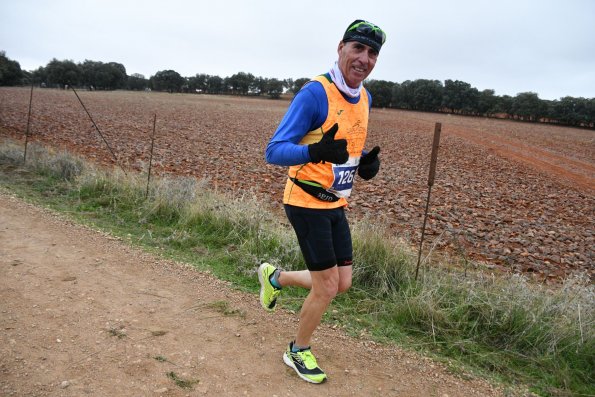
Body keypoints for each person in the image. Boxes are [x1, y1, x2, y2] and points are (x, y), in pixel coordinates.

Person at [259, 19, 386, 384]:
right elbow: (274, 151)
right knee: (328, 285)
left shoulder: (365, 97)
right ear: (341, 48)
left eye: (372, 52)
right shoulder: (316, 93)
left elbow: (345, 148)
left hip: (335, 203)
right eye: (357, 48)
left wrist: (364, 165)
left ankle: (275, 277)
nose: (364, 59)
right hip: (304, 199)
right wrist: (313, 151)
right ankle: (297, 351)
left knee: (341, 282)